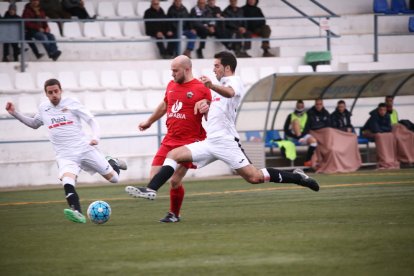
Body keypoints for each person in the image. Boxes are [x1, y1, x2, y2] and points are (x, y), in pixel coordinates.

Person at [125, 51, 319, 218]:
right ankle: (151, 189)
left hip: (226, 142)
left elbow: (230, 92)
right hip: (211, 141)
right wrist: (205, 107)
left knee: (254, 177)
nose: (214, 70)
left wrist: (211, 86)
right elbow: (217, 113)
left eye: (216, 66)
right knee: (173, 155)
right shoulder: (216, 89)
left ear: (226, 68)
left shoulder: (233, 81)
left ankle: (297, 177)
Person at [5, 78, 127, 223]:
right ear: (46, 94)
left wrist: (96, 137)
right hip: (65, 155)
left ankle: (111, 161)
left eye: (56, 91)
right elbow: (33, 124)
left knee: (114, 179)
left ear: (60, 90)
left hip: (84, 149)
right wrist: (14, 113)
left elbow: (91, 120)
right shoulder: (44, 108)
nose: (54, 95)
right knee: (67, 181)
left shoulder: (72, 103)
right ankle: (77, 212)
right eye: (50, 92)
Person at [133, 55, 211, 223]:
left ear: (187, 69)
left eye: (175, 71)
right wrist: (149, 121)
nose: (172, 74)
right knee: (154, 176)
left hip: (190, 142)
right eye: (171, 71)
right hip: (170, 139)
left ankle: (174, 214)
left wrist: (207, 108)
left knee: (175, 180)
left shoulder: (201, 88)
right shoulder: (171, 85)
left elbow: (210, 114)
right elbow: (164, 105)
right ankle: (153, 191)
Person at [283, 100, 318, 167]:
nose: (300, 107)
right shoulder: (291, 115)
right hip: (293, 136)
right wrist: (295, 136)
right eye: (298, 106)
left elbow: (307, 128)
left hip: (303, 135)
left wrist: (302, 135)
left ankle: (307, 160)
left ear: (303, 106)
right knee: (296, 121)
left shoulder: (306, 115)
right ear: (296, 106)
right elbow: (286, 129)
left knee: (314, 141)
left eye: (301, 106)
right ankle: (299, 138)